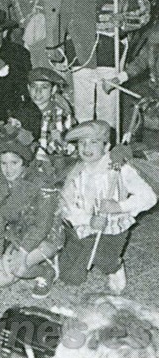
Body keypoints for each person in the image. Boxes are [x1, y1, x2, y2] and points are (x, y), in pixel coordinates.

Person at [56, 0, 150, 125]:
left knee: (108, 99)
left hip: (111, 44)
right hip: (80, 43)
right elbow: (63, 6)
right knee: (82, 100)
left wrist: (123, 19)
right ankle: (83, 143)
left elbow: (144, 13)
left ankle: (105, 148)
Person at [59, 120, 157, 293]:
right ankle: (81, 253)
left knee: (103, 259)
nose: (86, 148)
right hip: (83, 227)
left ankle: (115, 266)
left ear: (106, 147)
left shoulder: (120, 169)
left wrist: (119, 206)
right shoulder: (75, 172)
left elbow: (148, 197)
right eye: (82, 142)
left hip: (113, 228)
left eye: (94, 142)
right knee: (70, 277)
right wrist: (88, 219)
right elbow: (66, 206)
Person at [0, 139, 62, 298]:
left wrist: (23, 252)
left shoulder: (41, 184)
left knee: (18, 269)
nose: (8, 169)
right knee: (1, 280)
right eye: (3, 163)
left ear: (24, 163)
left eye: (14, 163)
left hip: (47, 236)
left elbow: (43, 226)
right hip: (19, 235)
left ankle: (47, 271)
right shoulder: (1, 185)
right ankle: (32, 261)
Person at [8, 67, 76, 181]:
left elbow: (73, 152)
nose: (38, 92)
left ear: (53, 89)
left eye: (44, 87)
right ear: (28, 88)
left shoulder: (62, 115)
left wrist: (62, 142)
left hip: (53, 171)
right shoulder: (19, 113)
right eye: (34, 86)